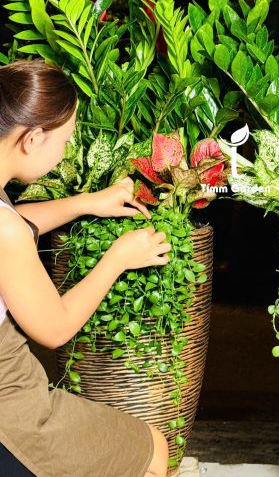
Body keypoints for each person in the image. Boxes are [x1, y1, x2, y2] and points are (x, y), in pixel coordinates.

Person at [0, 58, 172, 477]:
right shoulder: (6, 233)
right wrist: (119, 258)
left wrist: (86, 203)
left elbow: (15, 221)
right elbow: (55, 329)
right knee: (153, 451)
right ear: (33, 139)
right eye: (65, 140)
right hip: (10, 411)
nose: (65, 152)